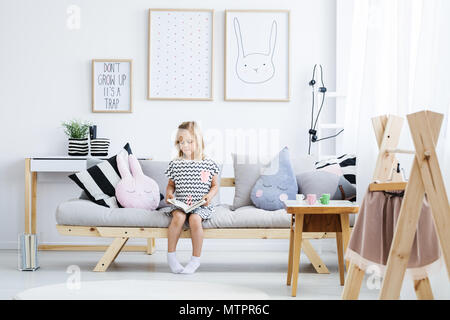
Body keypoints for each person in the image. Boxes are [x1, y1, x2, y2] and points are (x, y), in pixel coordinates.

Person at [161, 121, 220, 274]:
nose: (185, 145)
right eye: (181, 142)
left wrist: (209, 196)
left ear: (199, 140)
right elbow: (171, 185)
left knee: (194, 219)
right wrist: (169, 194)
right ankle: (171, 257)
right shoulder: (176, 164)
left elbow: (215, 186)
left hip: (200, 205)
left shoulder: (208, 163)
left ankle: (195, 260)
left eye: (189, 141)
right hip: (181, 204)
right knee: (178, 218)